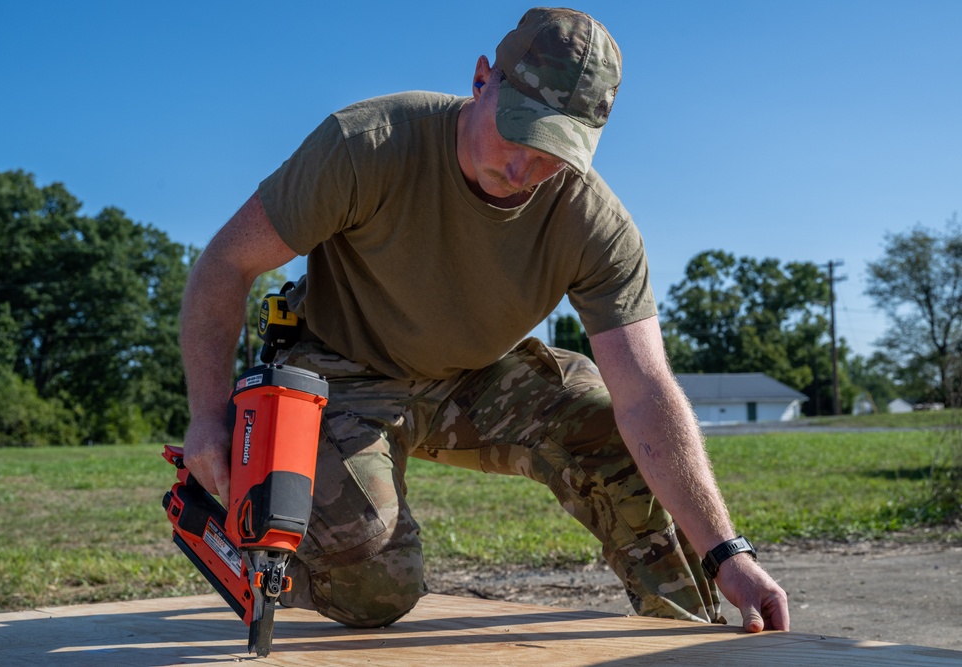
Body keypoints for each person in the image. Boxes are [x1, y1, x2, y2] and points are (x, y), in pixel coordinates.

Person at [180, 7, 789, 633]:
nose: (524, 170)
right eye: (518, 132)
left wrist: (727, 552)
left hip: (474, 377)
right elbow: (226, 265)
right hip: (341, 377)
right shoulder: (369, 145)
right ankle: (246, 540)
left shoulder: (594, 226)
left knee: (612, 430)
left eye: (553, 152)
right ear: (480, 81)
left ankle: (690, 633)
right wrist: (208, 416)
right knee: (375, 587)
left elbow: (646, 393)